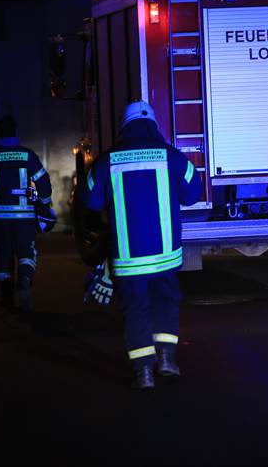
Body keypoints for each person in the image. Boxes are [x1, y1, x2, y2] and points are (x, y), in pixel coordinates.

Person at [84, 101, 202, 389]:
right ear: (154, 126)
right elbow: (193, 195)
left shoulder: (105, 161)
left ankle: (144, 373)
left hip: (128, 258)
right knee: (166, 302)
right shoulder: (173, 157)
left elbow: (91, 201)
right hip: (165, 256)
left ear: (124, 127)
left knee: (136, 309)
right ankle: (166, 360)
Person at [0, 115, 53, 311]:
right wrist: (44, 204)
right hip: (25, 217)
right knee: (27, 252)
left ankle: (6, 299)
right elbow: (43, 182)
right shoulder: (27, 155)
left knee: (3, 254)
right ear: (15, 131)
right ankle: (24, 282)